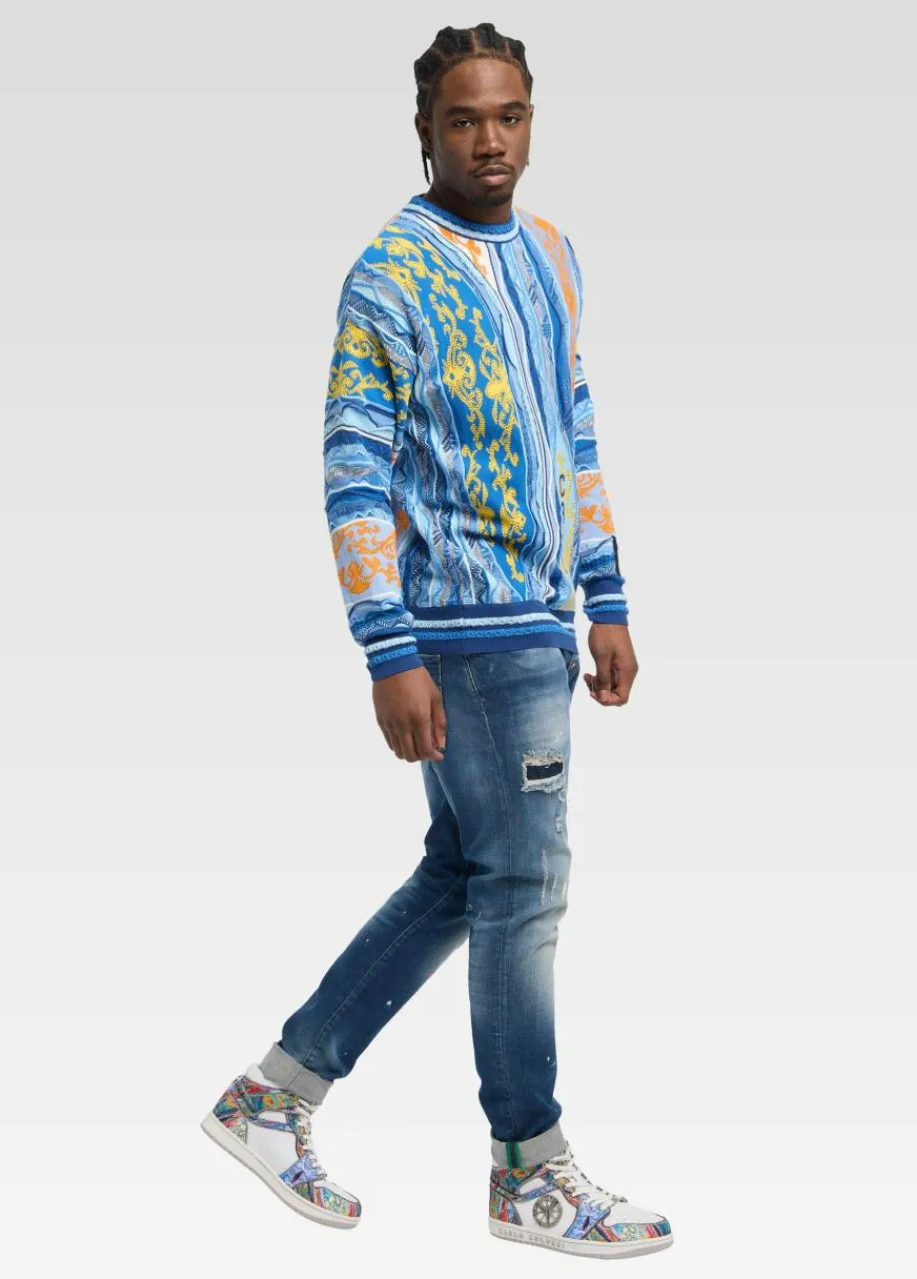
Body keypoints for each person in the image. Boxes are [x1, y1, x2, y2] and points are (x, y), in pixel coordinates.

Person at [200, 21, 673, 1260]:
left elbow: (571, 428)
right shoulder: (388, 274)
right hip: (460, 637)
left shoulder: (554, 254)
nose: (488, 140)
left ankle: (273, 1095)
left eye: (507, 115)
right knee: (523, 888)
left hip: (541, 623)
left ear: (532, 119)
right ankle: (528, 1167)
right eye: (463, 120)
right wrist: (386, 647)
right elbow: (352, 470)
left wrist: (606, 593)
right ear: (423, 131)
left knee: (468, 874)